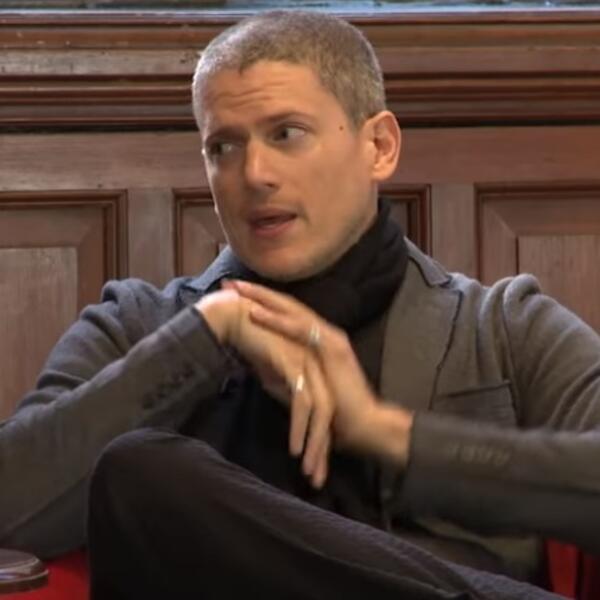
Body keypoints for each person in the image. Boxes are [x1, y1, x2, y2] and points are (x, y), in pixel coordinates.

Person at [0, 8, 597, 599]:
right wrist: (203, 338)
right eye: (223, 147)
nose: (254, 174)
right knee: (141, 476)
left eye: (286, 133)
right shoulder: (137, 325)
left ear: (379, 146)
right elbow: (11, 507)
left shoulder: (502, 326)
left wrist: (388, 434)